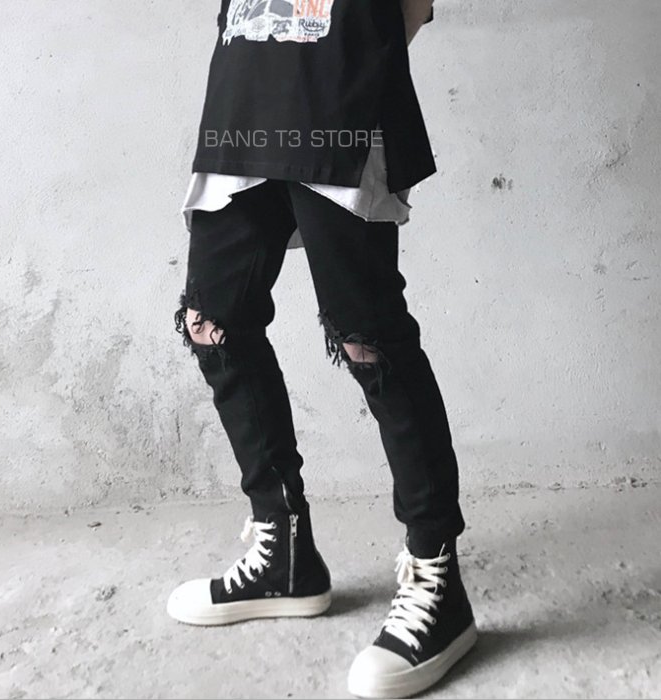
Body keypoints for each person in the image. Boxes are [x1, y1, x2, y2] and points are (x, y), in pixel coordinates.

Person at [167, 1, 477, 697]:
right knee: (213, 319)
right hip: (245, 84)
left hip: (338, 83)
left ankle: (437, 577)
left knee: (368, 337)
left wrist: (358, 50)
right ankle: (283, 553)